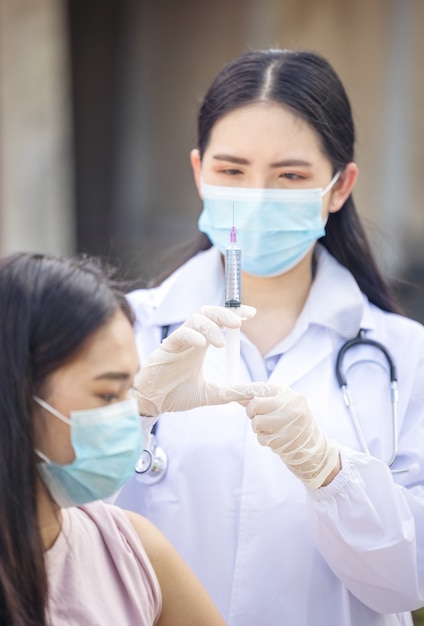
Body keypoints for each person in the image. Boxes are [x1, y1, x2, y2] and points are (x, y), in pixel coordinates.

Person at [115, 48, 424, 626]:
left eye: (290, 176)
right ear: (198, 173)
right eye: (231, 171)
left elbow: (407, 582)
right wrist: (130, 418)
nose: (255, 199)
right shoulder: (124, 332)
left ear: (338, 186)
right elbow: (53, 528)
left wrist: (330, 472)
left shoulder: (406, 356)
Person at [0, 250, 272, 626]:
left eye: (133, 390)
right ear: (16, 394)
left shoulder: (129, 551)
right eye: (109, 395)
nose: (129, 414)